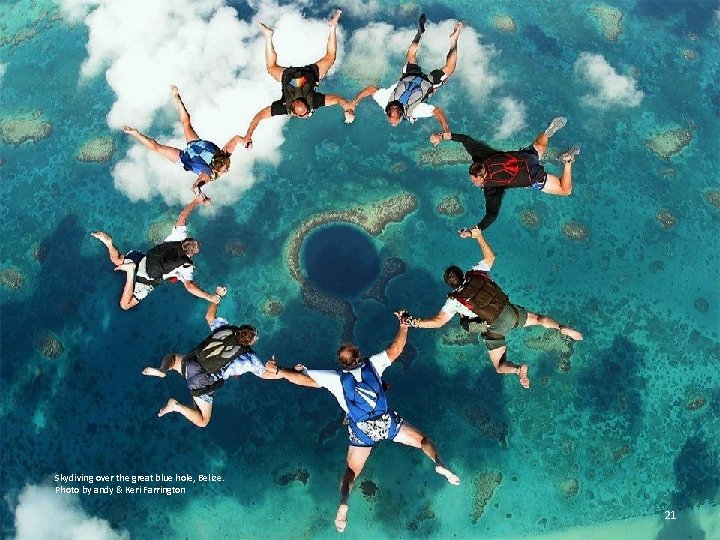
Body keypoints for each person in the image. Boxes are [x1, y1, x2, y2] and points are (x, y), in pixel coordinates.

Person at [266, 315, 460, 533]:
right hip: (386, 422)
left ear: (342, 363)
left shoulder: (335, 378)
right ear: (359, 355)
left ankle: (344, 503)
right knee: (424, 440)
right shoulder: (373, 364)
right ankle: (439, 463)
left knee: (351, 471)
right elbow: (397, 348)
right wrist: (403, 326)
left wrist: (280, 371)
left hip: (362, 430)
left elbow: (303, 379)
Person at [399, 227, 583, 389]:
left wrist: (412, 322)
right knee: (539, 319)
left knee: (499, 366)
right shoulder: (477, 273)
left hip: (494, 328)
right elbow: (490, 256)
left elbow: (437, 322)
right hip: (509, 311)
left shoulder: (454, 301)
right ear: (462, 273)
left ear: (450, 285)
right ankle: (561, 328)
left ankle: (519, 370)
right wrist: (478, 236)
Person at [142, 287, 282, 427]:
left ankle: (162, 370)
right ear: (250, 342)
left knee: (172, 358)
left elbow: (209, 316)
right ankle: (176, 406)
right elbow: (264, 374)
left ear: (240, 329)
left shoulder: (224, 328)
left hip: (192, 363)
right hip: (203, 380)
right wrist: (281, 372)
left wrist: (217, 296)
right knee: (202, 421)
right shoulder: (248, 357)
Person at [225, 10, 354, 151]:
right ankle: (268, 37)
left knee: (330, 57)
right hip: (292, 76)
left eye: (305, 113)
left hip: (306, 74)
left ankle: (332, 27)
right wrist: (247, 135)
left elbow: (336, 99)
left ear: (295, 110)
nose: (307, 114)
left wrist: (346, 107)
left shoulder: (308, 103)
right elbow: (259, 116)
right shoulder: (288, 106)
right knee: (271, 67)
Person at [429, 118, 581, 230]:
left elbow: (492, 214)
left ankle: (567, 161)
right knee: (540, 144)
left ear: (482, 178)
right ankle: (548, 132)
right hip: (526, 157)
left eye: (474, 180)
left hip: (532, 176)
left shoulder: (491, 188)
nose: (472, 181)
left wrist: (476, 230)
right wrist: (441, 136)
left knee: (565, 190)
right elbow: (465, 139)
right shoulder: (484, 156)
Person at [91, 194, 219, 310]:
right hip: (147, 278)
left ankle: (108, 242)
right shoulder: (186, 266)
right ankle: (130, 272)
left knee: (117, 259)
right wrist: (209, 297)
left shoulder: (178, 237)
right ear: (191, 254)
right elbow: (190, 286)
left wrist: (196, 201)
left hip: (143, 259)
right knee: (125, 305)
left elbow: (182, 217)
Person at [345, 14, 462, 133]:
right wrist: (445, 128)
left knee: (411, 56)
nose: (394, 110)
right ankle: (453, 40)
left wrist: (355, 101)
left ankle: (419, 34)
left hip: (409, 75)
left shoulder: (385, 101)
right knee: (450, 68)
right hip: (428, 83)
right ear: (402, 115)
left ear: (387, 112)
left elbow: (371, 89)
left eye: (391, 112)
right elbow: (437, 111)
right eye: (396, 113)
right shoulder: (414, 111)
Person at [123, 85, 235, 199]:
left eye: (225, 168)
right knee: (159, 147)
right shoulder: (208, 174)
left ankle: (176, 98)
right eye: (225, 168)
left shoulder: (222, 156)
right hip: (186, 156)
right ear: (216, 168)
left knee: (182, 127)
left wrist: (244, 140)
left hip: (194, 148)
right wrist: (199, 194)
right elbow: (195, 186)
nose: (227, 169)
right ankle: (136, 133)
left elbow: (235, 140)